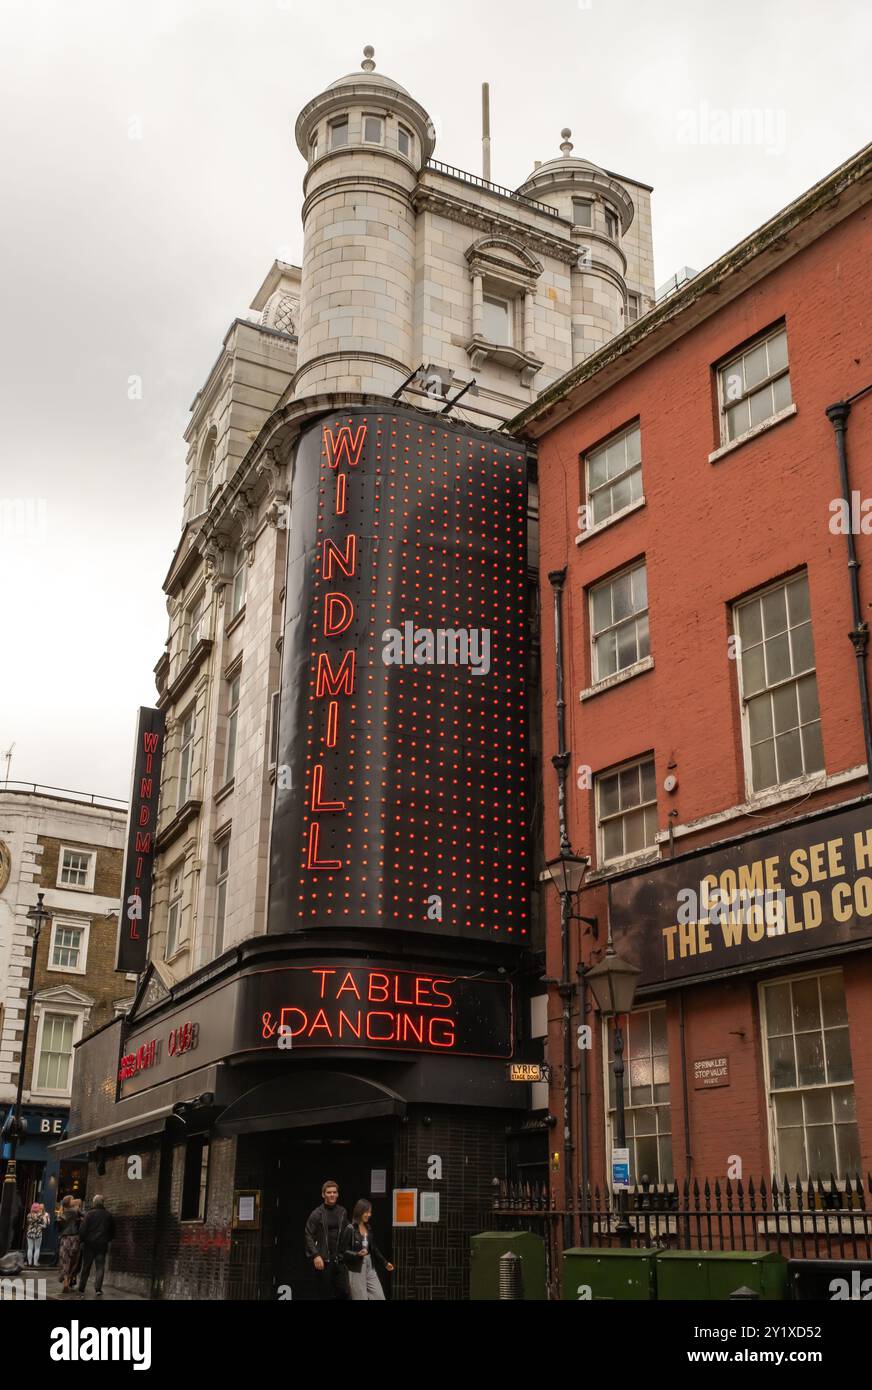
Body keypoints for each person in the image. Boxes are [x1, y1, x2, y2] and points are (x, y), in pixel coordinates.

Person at [340, 1199, 394, 1301]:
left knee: (379, 1297)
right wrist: (357, 1254)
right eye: (367, 1212)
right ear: (359, 1211)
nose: (369, 1214)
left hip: (370, 1266)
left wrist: (385, 1263)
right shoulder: (350, 1228)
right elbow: (342, 1252)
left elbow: (373, 1247)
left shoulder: (368, 1227)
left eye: (370, 1212)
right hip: (356, 1268)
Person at [304, 1180, 349, 1300]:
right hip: (323, 1260)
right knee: (324, 1293)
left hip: (339, 1260)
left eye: (334, 1192)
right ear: (323, 1194)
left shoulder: (342, 1212)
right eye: (329, 1192)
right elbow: (308, 1235)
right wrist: (315, 1255)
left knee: (343, 1292)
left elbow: (348, 1233)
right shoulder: (317, 1213)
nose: (332, 1195)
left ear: (338, 1194)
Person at [77, 1194, 115, 1296]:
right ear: (103, 1203)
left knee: (86, 1267)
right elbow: (112, 1231)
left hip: (89, 1244)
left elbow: (82, 1230)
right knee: (100, 1267)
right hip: (102, 1245)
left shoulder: (89, 1214)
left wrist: (82, 1240)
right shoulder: (108, 1215)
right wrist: (107, 1239)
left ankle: (81, 1288)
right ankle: (98, 1289)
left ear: (94, 1202)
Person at [56, 1195, 82, 1292]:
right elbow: (85, 1217)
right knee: (73, 1261)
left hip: (64, 1238)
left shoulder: (61, 1213)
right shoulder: (76, 1211)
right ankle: (70, 1279)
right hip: (75, 1238)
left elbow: (58, 1228)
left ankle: (66, 1281)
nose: (74, 1200)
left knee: (64, 1261)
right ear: (70, 1202)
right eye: (72, 1199)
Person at [25, 1202, 49, 1267]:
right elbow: (44, 1225)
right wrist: (40, 1225)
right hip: (38, 1233)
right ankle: (35, 1263)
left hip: (30, 1232)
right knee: (37, 1248)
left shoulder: (29, 1215)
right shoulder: (41, 1216)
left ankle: (29, 1263)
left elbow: (29, 1223)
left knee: (30, 1248)